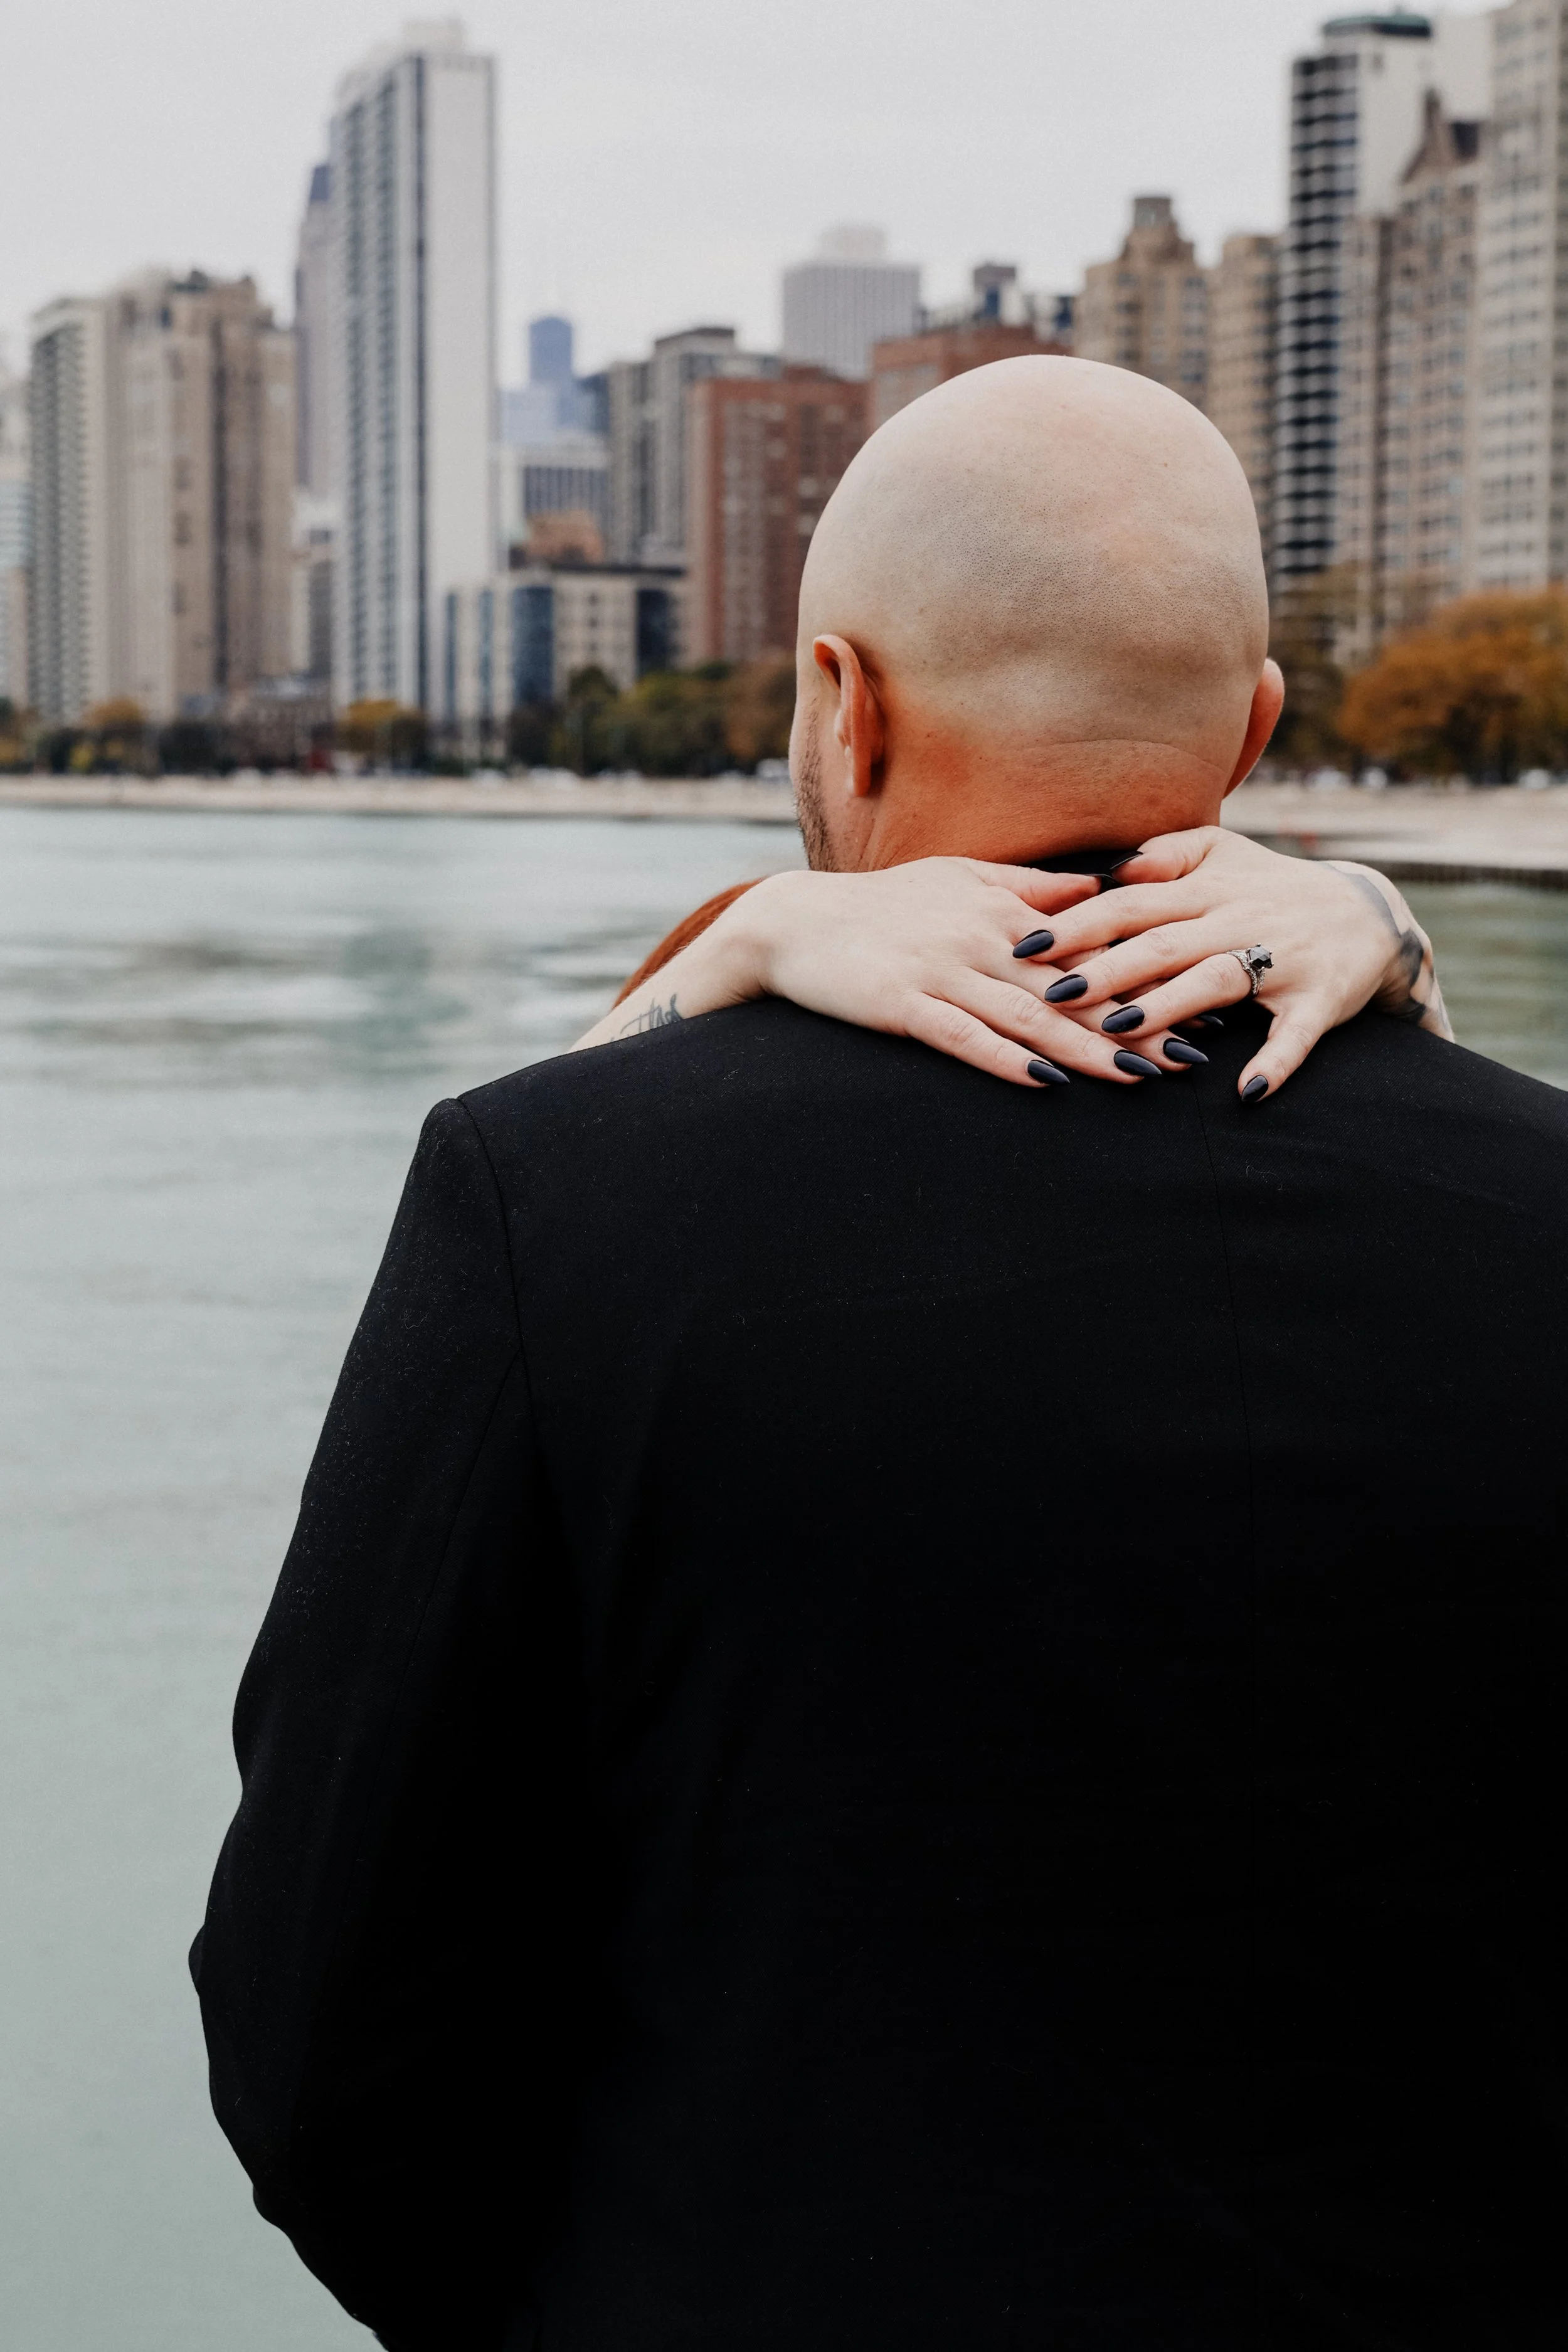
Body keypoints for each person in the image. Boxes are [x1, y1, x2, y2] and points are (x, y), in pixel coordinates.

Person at [191, 358, 1565, 2351]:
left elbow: (322, 2010)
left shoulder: (546, 1191)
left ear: (841, 699)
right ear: (1259, 724)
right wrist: (1390, 929)